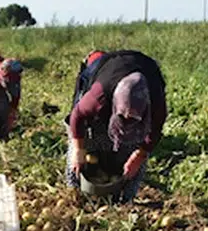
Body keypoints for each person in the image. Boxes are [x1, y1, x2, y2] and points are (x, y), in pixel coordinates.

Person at [65, 50, 167, 203]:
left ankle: (125, 200)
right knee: (81, 147)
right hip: (106, 72)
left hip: (145, 68)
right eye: (122, 117)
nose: (126, 121)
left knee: (134, 161)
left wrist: (139, 155)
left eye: (132, 119)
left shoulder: (156, 104)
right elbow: (77, 116)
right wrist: (79, 150)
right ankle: (73, 193)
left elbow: (154, 132)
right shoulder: (99, 95)